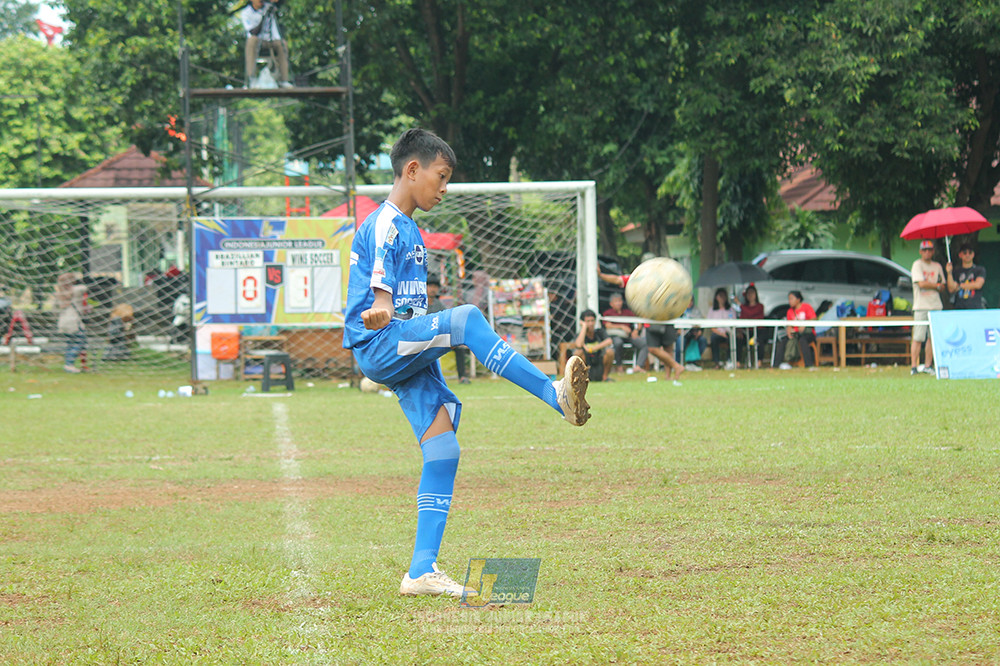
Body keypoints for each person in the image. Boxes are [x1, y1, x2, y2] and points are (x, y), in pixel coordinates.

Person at [342, 129, 591, 599]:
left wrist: (409, 323)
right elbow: (379, 293)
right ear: (412, 170)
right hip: (382, 343)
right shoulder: (386, 224)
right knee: (468, 318)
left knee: (444, 451)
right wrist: (379, 309)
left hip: (405, 350)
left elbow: (409, 305)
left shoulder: (413, 229)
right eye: (441, 176)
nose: (444, 187)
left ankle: (420, 571)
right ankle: (553, 395)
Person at [426, 275, 470, 384]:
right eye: (430, 286)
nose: (433, 289)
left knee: (459, 346)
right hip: (425, 337)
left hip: (439, 336)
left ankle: (462, 377)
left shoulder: (439, 304)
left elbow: (446, 321)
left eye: (435, 287)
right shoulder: (420, 304)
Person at [910, 239, 945, 374]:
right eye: (924, 250)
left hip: (935, 305)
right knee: (918, 337)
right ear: (920, 252)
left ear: (933, 252)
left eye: (930, 250)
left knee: (932, 338)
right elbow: (921, 284)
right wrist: (935, 285)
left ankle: (928, 365)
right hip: (921, 306)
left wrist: (940, 284)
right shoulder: (917, 265)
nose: (927, 252)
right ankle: (914, 366)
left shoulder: (937, 266)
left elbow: (942, 285)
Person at [241, 0, 293, 89]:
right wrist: (264, 16)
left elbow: (281, 3)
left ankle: (284, 80)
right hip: (257, 41)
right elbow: (253, 32)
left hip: (271, 39)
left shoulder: (268, 6)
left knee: (282, 44)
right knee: (251, 41)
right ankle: (251, 79)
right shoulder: (246, 12)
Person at [602, 292, 647, 371]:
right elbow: (607, 325)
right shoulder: (608, 313)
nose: (618, 303)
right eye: (616, 301)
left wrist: (636, 331)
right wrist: (622, 327)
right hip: (616, 336)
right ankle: (619, 366)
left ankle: (639, 366)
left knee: (645, 343)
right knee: (618, 343)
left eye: (620, 301)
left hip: (628, 336)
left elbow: (639, 320)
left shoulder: (627, 312)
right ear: (611, 304)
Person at [773, 290, 817, 369]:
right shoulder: (790, 311)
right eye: (789, 299)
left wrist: (804, 324)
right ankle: (776, 365)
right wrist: (789, 330)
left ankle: (809, 365)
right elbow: (789, 324)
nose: (789, 301)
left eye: (791, 299)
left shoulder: (806, 307)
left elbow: (814, 318)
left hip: (807, 333)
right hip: (795, 333)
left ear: (798, 299)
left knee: (803, 340)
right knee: (783, 341)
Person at [571, 309, 614, 382]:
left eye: (592, 321)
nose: (590, 323)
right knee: (577, 353)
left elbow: (609, 341)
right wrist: (584, 327)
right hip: (586, 364)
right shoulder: (580, 335)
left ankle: (605, 377)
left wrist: (592, 349)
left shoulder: (599, 332)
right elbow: (578, 344)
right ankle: (582, 379)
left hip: (599, 360)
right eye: (588, 321)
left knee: (610, 352)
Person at [56, 276, 88, 373]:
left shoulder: (59, 293)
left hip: (63, 321)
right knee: (80, 342)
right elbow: (84, 287)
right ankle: (69, 364)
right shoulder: (76, 291)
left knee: (70, 343)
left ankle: (69, 364)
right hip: (73, 321)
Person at [946, 242, 986, 309]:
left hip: (975, 307)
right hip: (959, 307)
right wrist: (949, 272)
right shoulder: (956, 271)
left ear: (973, 254)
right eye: (964, 253)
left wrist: (959, 286)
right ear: (960, 255)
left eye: (970, 252)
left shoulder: (980, 270)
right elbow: (951, 289)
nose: (967, 255)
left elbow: (978, 285)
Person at [736, 284, 764, 367]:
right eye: (748, 293)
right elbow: (742, 319)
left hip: (758, 331)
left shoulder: (760, 306)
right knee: (739, 339)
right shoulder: (744, 307)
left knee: (760, 341)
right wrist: (739, 330)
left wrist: (739, 304)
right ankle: (738, 362)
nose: (750, 295)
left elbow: (750, 313)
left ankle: (759, 361)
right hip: (747, 331)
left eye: (752, 293)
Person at [706, 288, 736, 368]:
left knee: (732, 339)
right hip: (717, 332)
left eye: (724, 296)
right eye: (720, 296)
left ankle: (729, 360)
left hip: (729, 332)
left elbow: (734, 323)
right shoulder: (712, 310)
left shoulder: (730, 310)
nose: (722, 298)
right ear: (716, 297)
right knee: (714, 338)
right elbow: (711, 326)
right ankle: (717, 362)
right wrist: (721, 334)